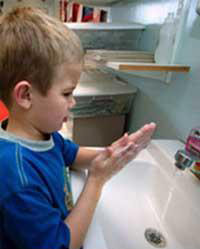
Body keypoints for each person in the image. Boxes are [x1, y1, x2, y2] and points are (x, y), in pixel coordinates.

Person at [0, 7, 156, 249]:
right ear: (26, 95)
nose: (73, 102)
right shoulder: (17, 177)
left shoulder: (43, 134)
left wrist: (111, 154)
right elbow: (60, 245)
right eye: (67, 93)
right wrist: (96, 181)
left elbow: (71, 155)